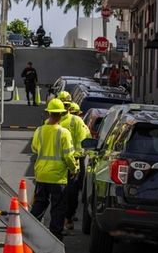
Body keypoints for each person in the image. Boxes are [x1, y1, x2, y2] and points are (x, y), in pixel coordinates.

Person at [31, 98, 78, 240]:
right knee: (58, 207)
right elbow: (69, 156)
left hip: (41, 175)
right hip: (58, 178)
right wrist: (74, 169)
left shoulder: (39, 131)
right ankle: (55, 235)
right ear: (62, 114)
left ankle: (32, 232)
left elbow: (34, 149)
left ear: (48, 113)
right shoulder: (64, 133)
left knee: (39, 204)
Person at [64, 102, 91, 231]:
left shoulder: (58, 122)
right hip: (76, 160)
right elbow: (88, 141)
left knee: (61, 191)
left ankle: (63, 218)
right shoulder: (82, 125)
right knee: (73, 191)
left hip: (61, 162)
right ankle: (69, 218)